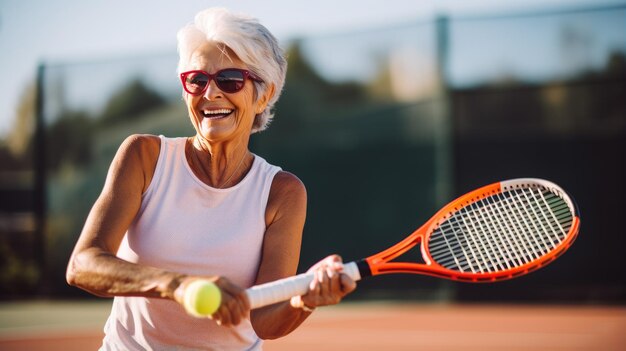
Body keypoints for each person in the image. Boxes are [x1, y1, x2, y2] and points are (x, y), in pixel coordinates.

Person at [66, 7, 356, 350]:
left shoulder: (283, 192)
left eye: (230, 79)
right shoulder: (143, 156)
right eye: (197, 79)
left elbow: (265, 321)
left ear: (263, 93)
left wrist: (306, 298)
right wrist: (177, 285)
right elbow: (84, 264)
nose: (210, 93)